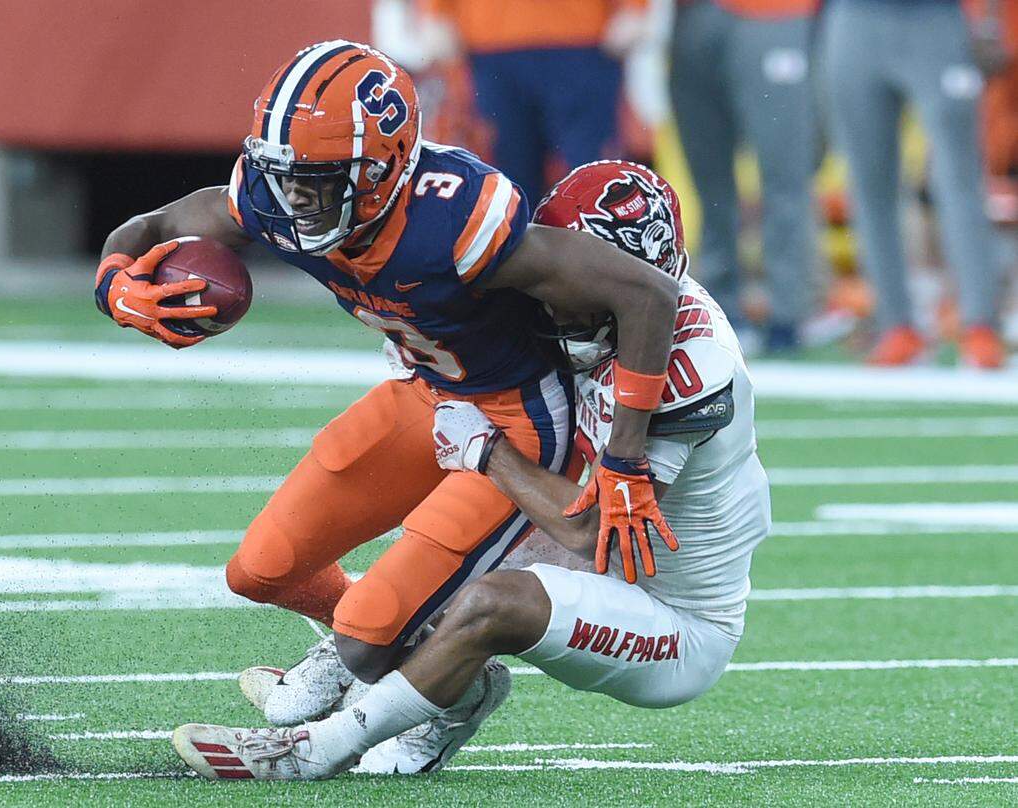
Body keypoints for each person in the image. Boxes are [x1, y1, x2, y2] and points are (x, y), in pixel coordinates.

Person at [95, 41, 681, 756]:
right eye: (282, 177)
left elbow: (646, 292)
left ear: (383, 171)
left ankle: (438, 688)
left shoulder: (454, 220)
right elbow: (155, 226)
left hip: (520, 422)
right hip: (428, 393)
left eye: (315, 181)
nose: (291, 201)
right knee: (261, 569)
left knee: (368, 645)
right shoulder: (274, 197)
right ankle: (417, 652)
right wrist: (115, 282)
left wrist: (623, 457)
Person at [170, 161, 771, 781]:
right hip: (591, 550)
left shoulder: (687, 369)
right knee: (418, 581)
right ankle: (439, 686)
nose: (552, 301)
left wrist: (489, 452)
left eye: (578, 284)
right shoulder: (599, 317)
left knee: (492, 601)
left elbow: (592, 530)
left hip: (671, 616)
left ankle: (318, 749)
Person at [821, 0, 1007, 368]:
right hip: (856, 19)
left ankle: (980, 325)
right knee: (869, 182)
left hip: (935, 19)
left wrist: (988, 16)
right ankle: (896, 326)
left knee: (958, 178)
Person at [669, 0, 819, 352]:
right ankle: (718, 307)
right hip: (691, 16)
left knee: (784, 170)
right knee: (710, 182)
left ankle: (787, 312)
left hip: (772, 13)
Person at [417, 0, 648, 206]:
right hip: (492, 40)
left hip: (582, 38)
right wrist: (436, 11)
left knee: (592, 172)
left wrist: (634, 8)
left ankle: (599, 249)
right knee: (507, 173)